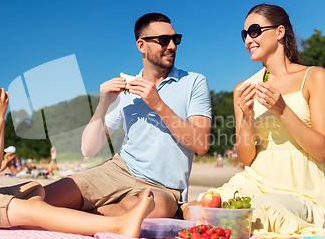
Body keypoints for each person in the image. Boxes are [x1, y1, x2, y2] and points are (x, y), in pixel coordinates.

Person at [0, 44, 154, 237]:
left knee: (34, 188)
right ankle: (116, 226)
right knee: (35, 207)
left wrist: (0, 119)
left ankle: (28, 217)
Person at [187, 4, 325, 237]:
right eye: (244, 34)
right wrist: (246, 116)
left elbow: (323, 149)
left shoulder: (314, 77)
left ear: (279, 32)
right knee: (200, 207)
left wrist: (282, 110)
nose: (248, 39)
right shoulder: (243, 89)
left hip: (300, 192)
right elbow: (246, 158)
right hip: (254, 182)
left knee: (266, 209)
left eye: (254, 30)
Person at [43, 13, 212, 218]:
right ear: (141, 45)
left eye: (175, 40)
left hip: (164, 189)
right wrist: (103, 104)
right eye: (164, 40)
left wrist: (157, 104)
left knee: (152, 208)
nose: (172, 46)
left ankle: (80, 212)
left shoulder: (193, 82)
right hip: (119, 171)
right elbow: (88, 148)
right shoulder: (127, 90)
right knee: (49, 196)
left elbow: (201, 144)